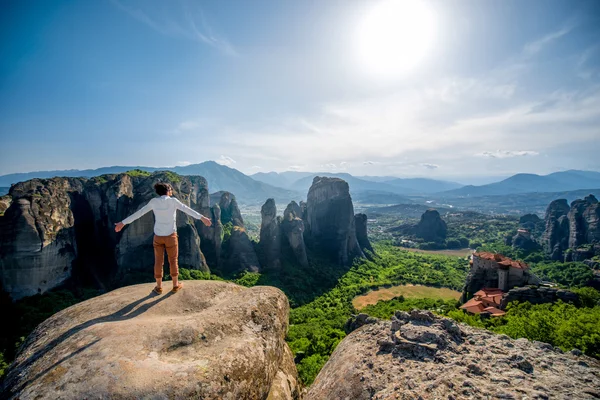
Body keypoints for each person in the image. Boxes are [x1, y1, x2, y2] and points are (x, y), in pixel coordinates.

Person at [114, 182, 212, 294]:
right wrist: (202, 218)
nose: (172, 191)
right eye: (171, 189)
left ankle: (159, 287)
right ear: (168, 190)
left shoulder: (154, 202)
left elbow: (139, 213)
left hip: (158, 237)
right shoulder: (173, 201)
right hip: (171, 236)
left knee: (158, 261)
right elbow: (187, 209)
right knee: (173, 260)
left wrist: (122, 223)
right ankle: (175, 285)